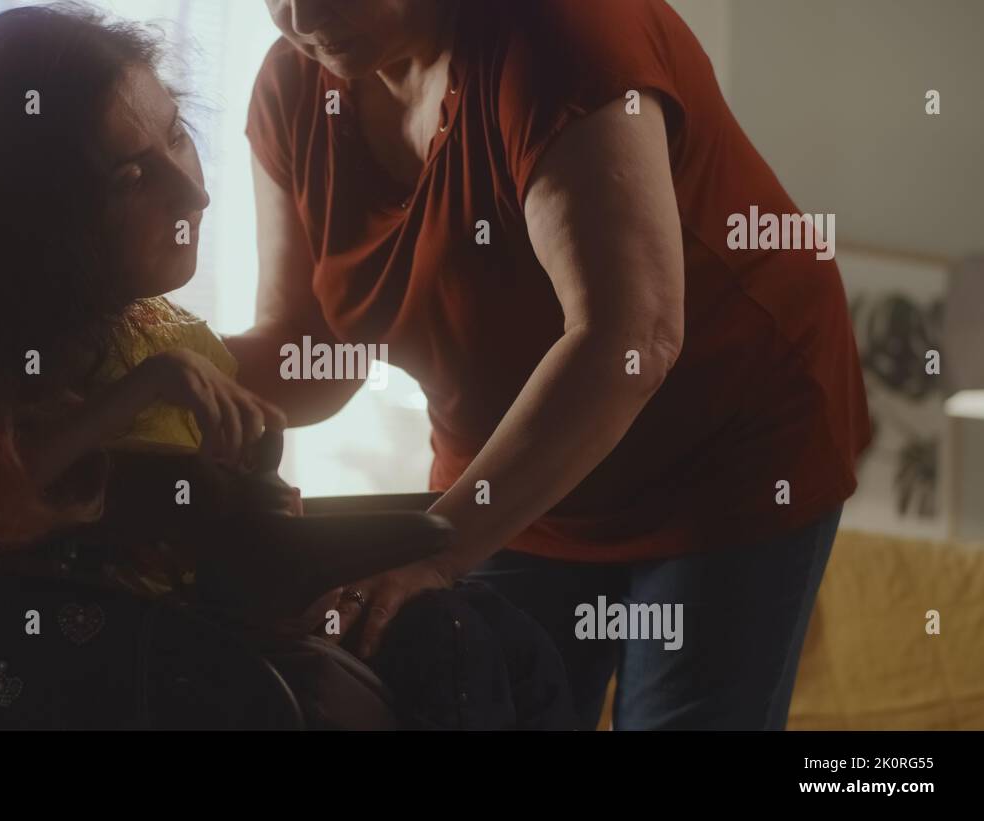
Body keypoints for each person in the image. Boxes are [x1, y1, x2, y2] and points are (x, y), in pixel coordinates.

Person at [0, 4, 574, 730]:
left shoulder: (154, 326)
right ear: (38, 218)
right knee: (461, 655)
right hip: (131, 660)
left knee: (506, 641)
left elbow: (281, 393)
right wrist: (132, 399)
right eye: (133, 176)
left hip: (214, 619)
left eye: (177, 131)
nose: (194, 193)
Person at [229, 0, 872, 729]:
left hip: (725, 460)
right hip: (511, 474)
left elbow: (629, 337)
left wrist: (437, 552)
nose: (301, 14)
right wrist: (144, 363)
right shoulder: (293, 86)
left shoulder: (564, 34)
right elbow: (307, 356)